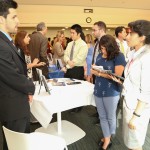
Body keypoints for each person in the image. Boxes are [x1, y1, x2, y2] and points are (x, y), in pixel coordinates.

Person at [0, 1, 35, 150]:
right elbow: (12, 75)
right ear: (1, 19)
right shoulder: (1, 45)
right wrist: (30, 86)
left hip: (14, 103)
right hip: (13, 107)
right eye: (14, 17)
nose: (18, 21)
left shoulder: (7, 41)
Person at [112, 20, 150, 150]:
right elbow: (134, 78)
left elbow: (146, 91)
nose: (126, 37)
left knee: (135, 144)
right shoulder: (134, 53)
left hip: (138, 109)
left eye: (130, 33)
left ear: (142, 37)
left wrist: (136, 116)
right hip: (130, 103)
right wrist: (122, 81)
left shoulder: (147, 57)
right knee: (130, 142)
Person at [91, 35, 126, 150]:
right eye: (101, 48)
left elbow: (117, 76)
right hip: (98, 89)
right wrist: (94, 69)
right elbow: (96, 68)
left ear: (111, 47)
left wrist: (99, 73)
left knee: (110, 117)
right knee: (102, 116)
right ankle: (107, 136)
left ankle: (108, 138)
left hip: (111, 91)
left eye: (105, 48)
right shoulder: (100, 55)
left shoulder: (119, 56)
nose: (103, 51)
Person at [64, 24, 88, 112]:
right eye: (70, 33)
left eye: (73, 33)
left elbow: (79, 58)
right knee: (69, 89)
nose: (71, 35)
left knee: (77, 89)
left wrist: (70, 63)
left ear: (78, 34)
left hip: (77, 69)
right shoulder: (70, 44)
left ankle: (78, 107)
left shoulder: (83, 45)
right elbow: (65, 55)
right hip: (69, 68)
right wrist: (68, 61)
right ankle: (71, 105)